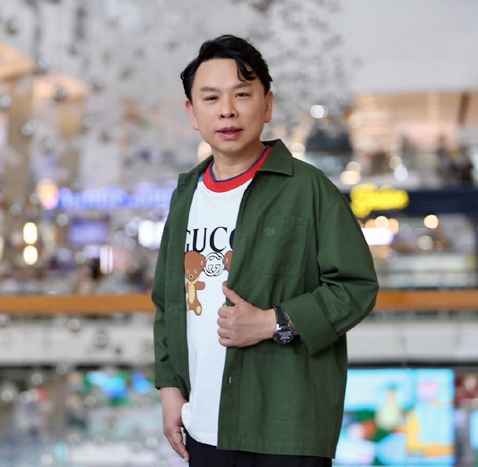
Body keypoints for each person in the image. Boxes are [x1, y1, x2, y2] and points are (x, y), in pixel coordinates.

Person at [152, 34, 379, 466]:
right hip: (202, 425)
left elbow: (356, 287)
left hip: (285, 429)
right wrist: (169, 389)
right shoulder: (186, 195)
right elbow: (168, 301)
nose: (227, 110)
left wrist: (273, 322)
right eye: (211, 98)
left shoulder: (309, 190)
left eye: (242, 95)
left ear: (267, 105)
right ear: (192, 113)